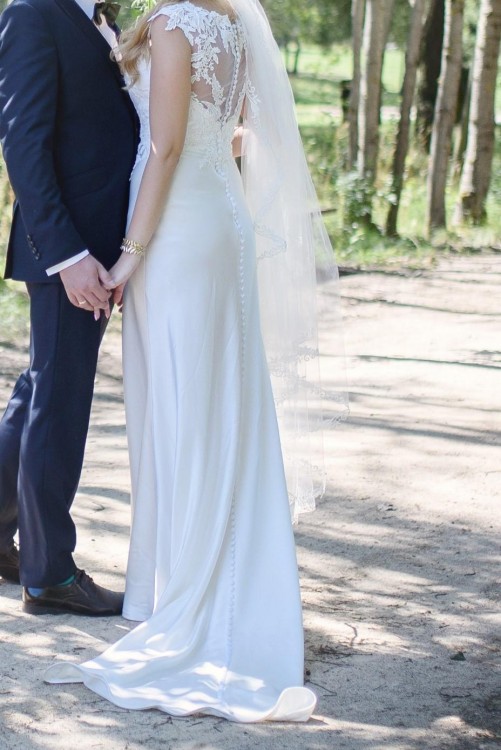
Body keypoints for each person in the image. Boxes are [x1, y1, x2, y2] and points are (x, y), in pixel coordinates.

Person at [45, 0, 347, 722]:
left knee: (185, 406)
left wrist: (130, 253)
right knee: (221, 404)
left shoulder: (177, 24)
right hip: (218, 216)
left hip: (179, 228)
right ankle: (223, 586)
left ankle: (200, 596)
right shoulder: (230, 24)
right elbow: (226, 132)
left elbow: (167, 146)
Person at [0, 0, 138, 614]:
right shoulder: (33, 13)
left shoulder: (101, 20)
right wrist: (67, 255)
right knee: (59, 399)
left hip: (101, 250)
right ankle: (49, 573)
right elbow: (23, 144)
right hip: (70, 254)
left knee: (41, 390)